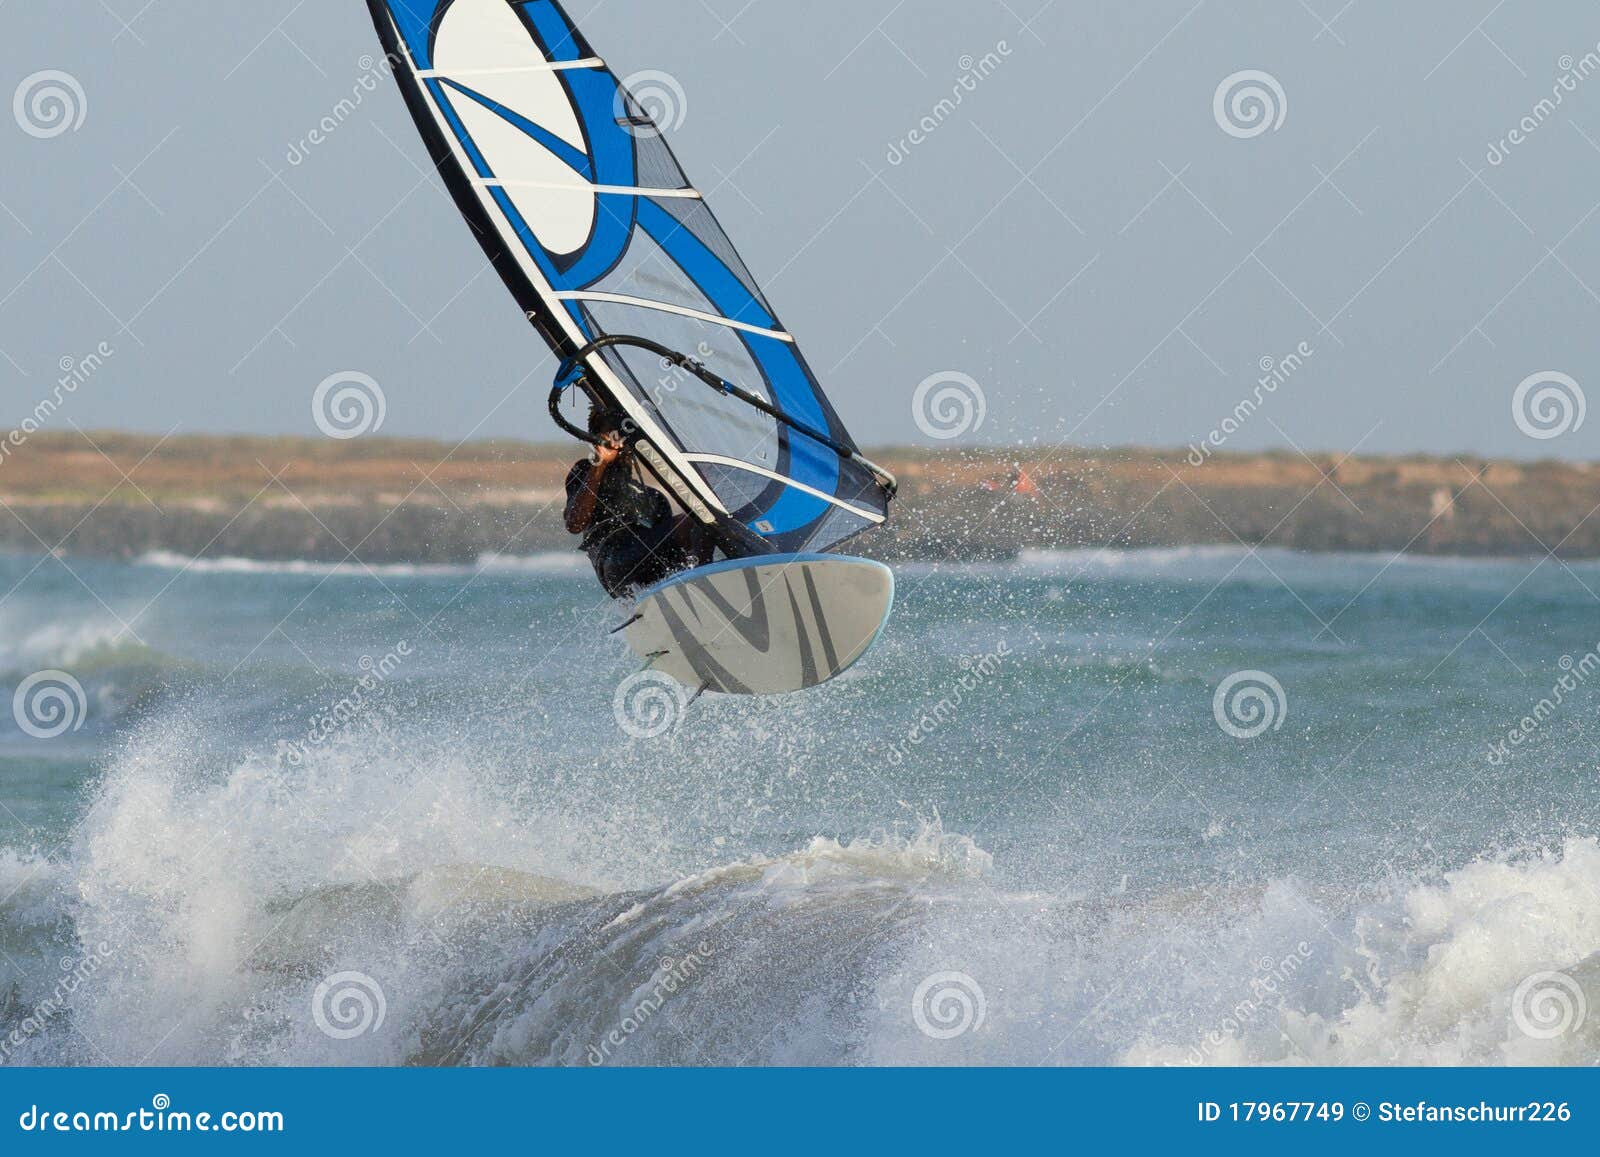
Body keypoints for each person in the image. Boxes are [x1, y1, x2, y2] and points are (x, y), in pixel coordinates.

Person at [564, 406, 715, 598]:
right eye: (611, 435)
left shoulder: (646, 494)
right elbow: (574, 524)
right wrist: (599, 464)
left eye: (622, 435)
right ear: (596, 439)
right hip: (615, 562)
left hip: (645, 565)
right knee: (699, 522)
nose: (618, 442)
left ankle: (697, 589)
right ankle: (705, 587)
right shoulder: (585, 471)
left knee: (707, 522)